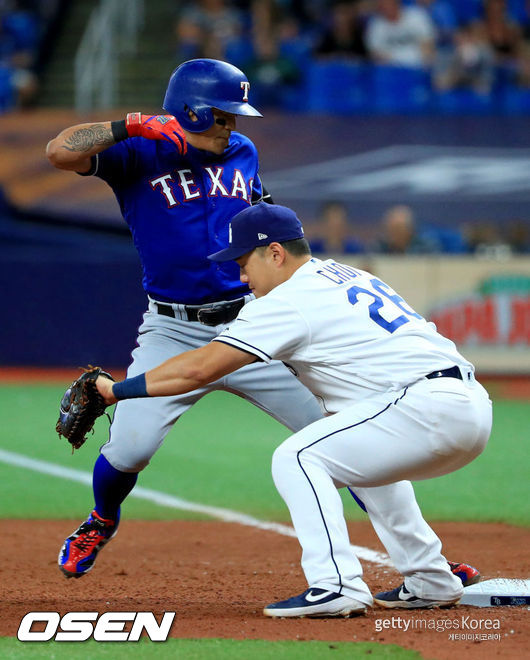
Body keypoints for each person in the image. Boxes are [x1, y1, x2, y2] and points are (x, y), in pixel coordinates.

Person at [94, 202, 492, 618]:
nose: (241, 276)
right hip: (465, 405)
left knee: (297, 457)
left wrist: (116, 390)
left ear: (276, 253)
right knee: (356, 456)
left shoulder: (289, 299)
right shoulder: (343, 272)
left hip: (423, 406)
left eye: (244, 262)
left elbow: (200, 367)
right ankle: (430, 578)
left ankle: (336, 585)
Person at [46, 58, 325, 579]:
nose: (233, 126)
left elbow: (261, 217)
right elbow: (59, 152)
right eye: (223, 116)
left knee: (337, 433)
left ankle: (425, 560)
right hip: (173, 327)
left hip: (252, 323)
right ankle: (101, 519)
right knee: (130, 448)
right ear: (193, 112)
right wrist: (126, 125)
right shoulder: (135, 153)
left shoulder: (243, 151)